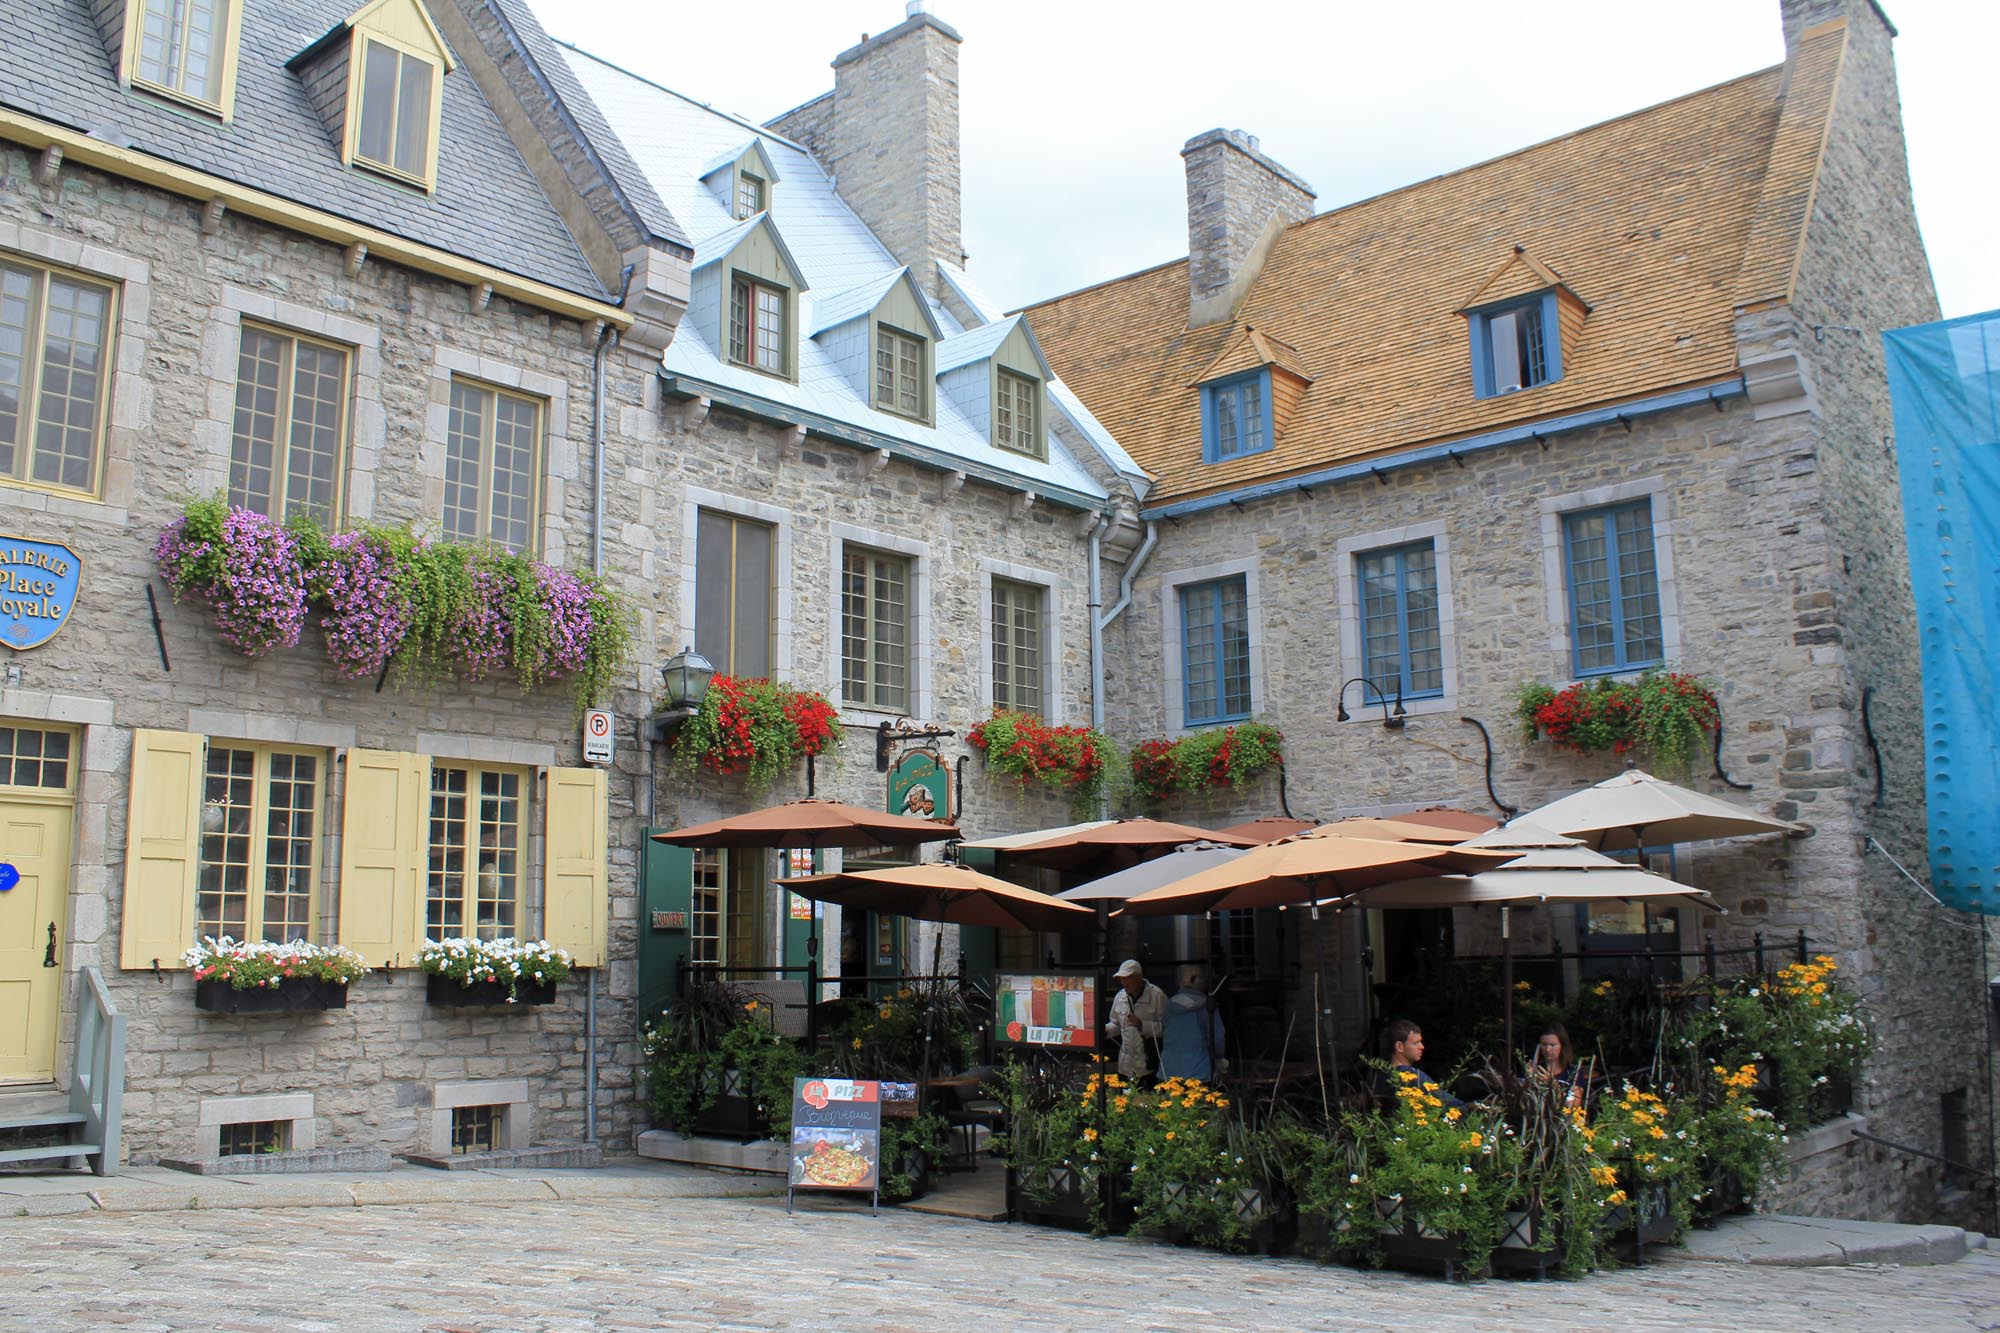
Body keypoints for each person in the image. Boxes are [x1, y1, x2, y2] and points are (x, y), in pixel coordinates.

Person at [1373, 1018, 1465, 1109]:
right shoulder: (1411, 1076)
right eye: (1416, 1043)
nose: (1422, 1047)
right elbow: (1450, 1104)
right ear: (1399, 1047)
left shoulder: (1382, 1075)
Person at [1102, 959, 1167, 1084]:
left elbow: (1167, 1028)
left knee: (1146, 1100)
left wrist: (1142, 1025)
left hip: (1148, 1065)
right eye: (1121, 978)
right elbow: (1116, 1024)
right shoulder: (1120, 997)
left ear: (1138, 978)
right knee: (1123, 1102)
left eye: (1127, 978)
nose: (1123, 982)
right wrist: (1104, 1030)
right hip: (1125, 1066)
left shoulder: (1157, 996)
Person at [1158, 965, 1225, 1082]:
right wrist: (1219, 1058)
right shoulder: (1207, 1006)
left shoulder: (1169, 1005)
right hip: (1199, 1072)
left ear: (1180, 982)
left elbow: (1163, 1031)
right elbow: (1218, 1039)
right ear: (1203, 983)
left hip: (1168, 1071)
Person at [1528, 1021, 1587, 1109]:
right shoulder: (1533, 1068)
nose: (1548, 1049)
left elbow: (1573, 1105)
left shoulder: (1572, 1071)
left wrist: (1554, 1087)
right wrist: (1528, 1080)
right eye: (1544, 1044)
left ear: (1562, 1045)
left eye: (1552, 1045)